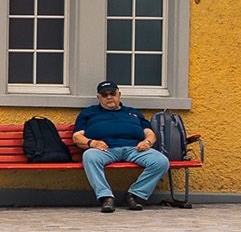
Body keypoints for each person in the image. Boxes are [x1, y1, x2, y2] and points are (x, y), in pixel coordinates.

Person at [67, 80, 168, 210]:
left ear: (119, 94)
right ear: (99, 97)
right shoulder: (88, 113)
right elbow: (77, 136)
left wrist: (147, 142)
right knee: (89, 156)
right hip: (105, 149)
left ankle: (133, 195)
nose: (109, 97)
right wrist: (92, 143)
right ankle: (106, 197)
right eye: (104, 94)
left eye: (112, 93)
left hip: (135, 149)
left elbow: (150, 133)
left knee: (161, 161)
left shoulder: (134, 112)